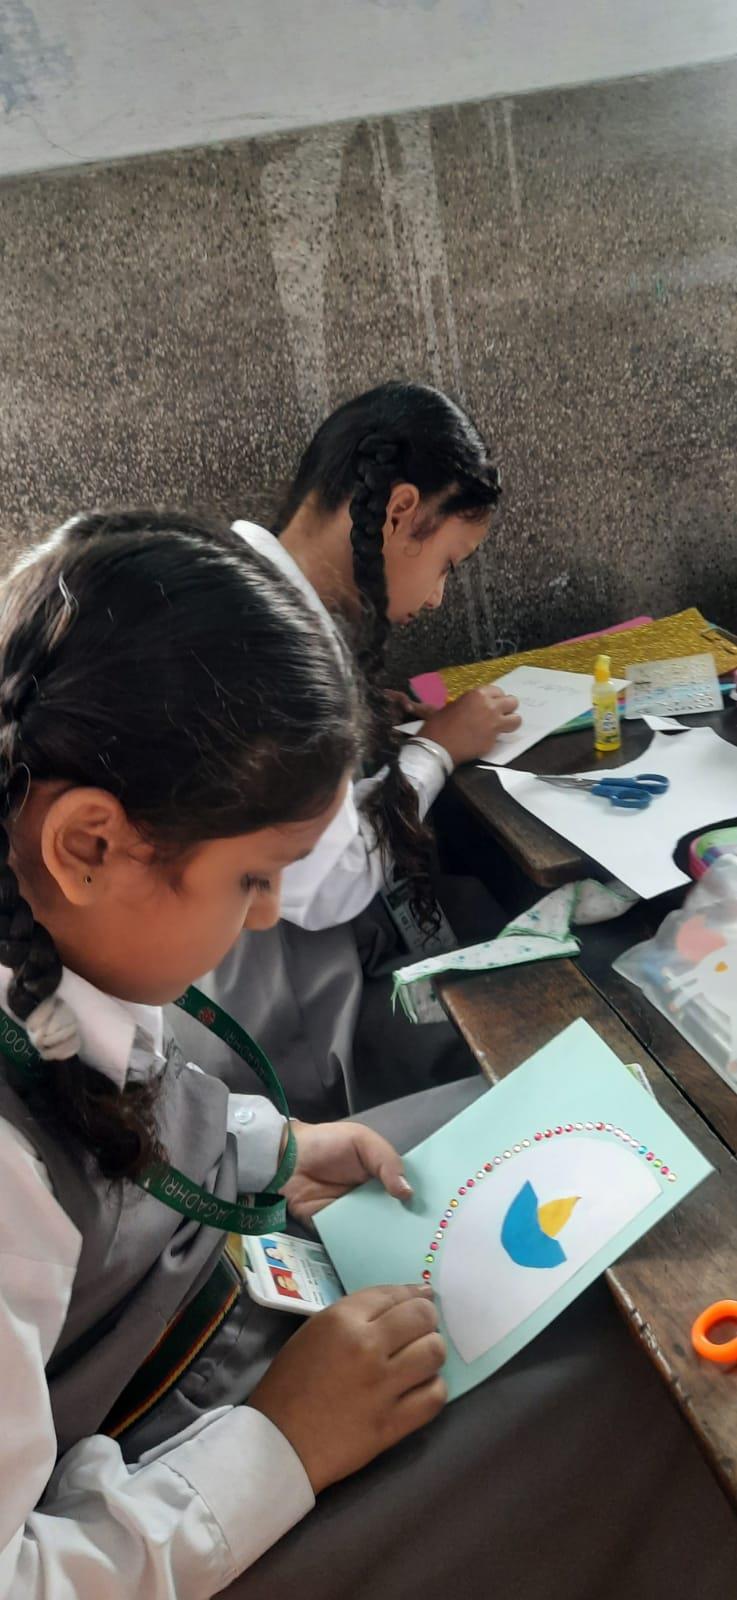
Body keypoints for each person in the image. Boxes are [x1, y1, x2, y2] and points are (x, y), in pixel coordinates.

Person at [2, 509, 735, 1600]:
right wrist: (282, 1440)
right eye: (254, 880)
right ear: (88, 845)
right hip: (170, 1473)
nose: (265, 919)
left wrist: (268, 1147)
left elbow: (116, 1097)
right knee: (646, 1404)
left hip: (198, 1275)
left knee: (594, 1150)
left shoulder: (61, 949)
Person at [173, 383, 522, 1115]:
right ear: (399, 511)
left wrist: (363, 727)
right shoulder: (282, 651)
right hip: (286, 1004)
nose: (438, 597)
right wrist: (437, 750)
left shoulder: (229, 579)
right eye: (449, 563)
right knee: (524, 1016)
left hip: (235, 975)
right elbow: (322, 885)